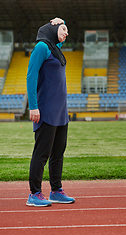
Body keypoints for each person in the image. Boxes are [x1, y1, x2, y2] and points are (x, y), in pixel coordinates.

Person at [26, 17, 75, 207]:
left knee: (58, 153)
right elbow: (31, 76)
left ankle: (56, 190)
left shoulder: (55, 49)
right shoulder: (41, 48)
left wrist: (61, 21)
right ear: (53, 29)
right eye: (64, 29)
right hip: (45, 109)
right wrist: (33, 106)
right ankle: (34, 193)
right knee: (42, 153)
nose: (67, 33)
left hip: (61, 111)